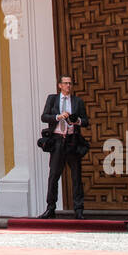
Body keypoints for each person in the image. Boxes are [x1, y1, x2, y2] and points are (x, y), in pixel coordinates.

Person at [39, 75, 89, 219]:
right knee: (54, 175)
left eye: (70, 83)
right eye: (65, 83)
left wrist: (77, 120)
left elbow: (85, 121)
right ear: (60, 85)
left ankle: (78, 210)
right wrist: (58, 117)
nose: (68, 86)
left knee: (76, 177)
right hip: (57, 140)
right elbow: (44, 117)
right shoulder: (52, 99)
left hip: (72, 141)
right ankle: (50, 208)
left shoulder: (77, 101)